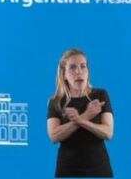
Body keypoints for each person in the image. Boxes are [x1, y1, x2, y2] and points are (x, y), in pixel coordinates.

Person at [47, 48, 114, 177]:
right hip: (67, 170)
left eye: (83, 66)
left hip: (99, 169)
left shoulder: (100, 95)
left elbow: (108, 132)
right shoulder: (56, 101)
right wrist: (86, 115)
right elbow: (54, 136)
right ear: (64, 75)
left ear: (88, 71)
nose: (79, 71)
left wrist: (80, 120)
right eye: (72, 67)